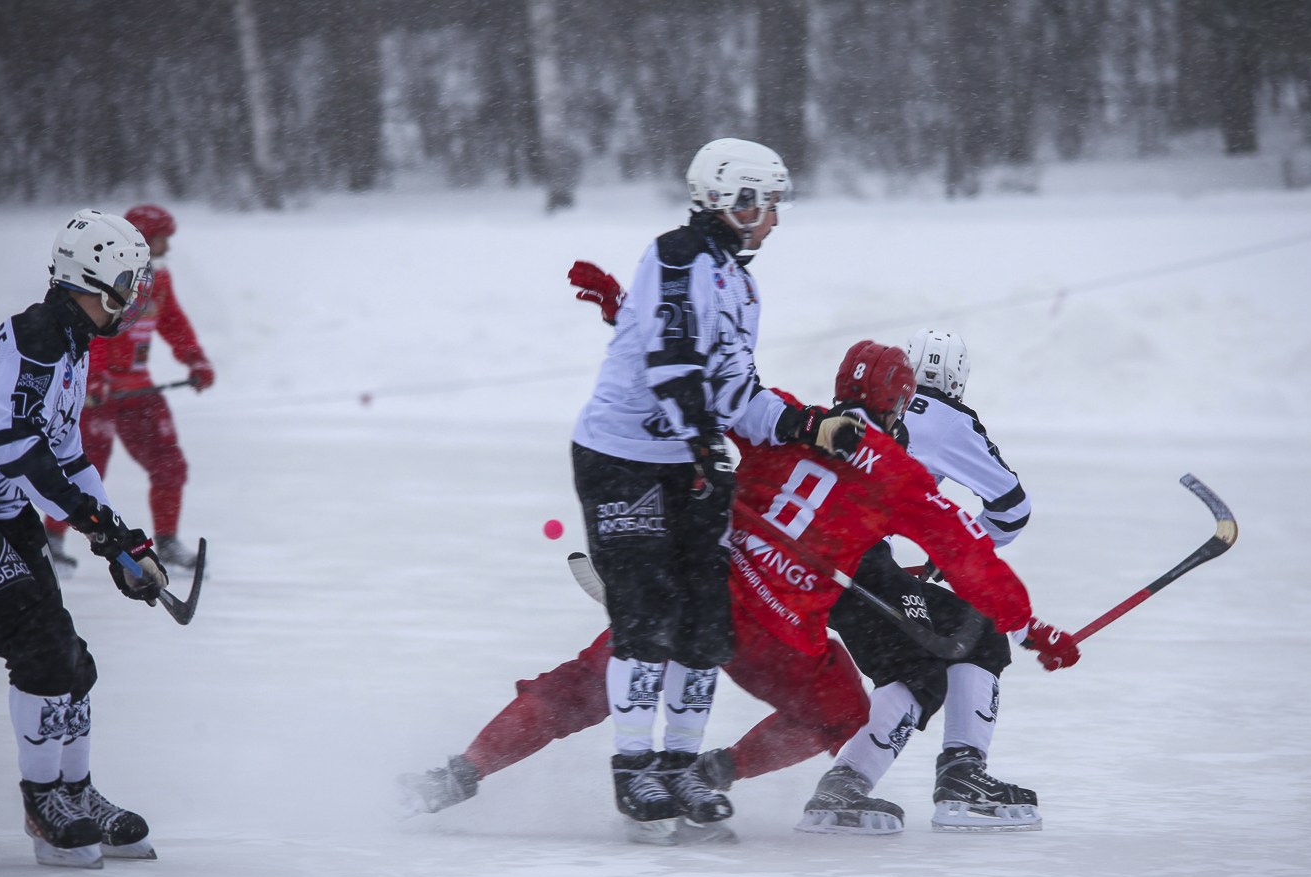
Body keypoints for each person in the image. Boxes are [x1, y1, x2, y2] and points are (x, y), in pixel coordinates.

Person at [399, 342, 1079, 840]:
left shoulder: (786, 416)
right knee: (842, 710)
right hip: (778, 634)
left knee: (588, 683)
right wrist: (1031, 628)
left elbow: (697, 402)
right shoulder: (901, 477)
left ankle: (459, 772)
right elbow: (974, 557)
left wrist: (624, 324)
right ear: (899, 406)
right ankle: (711, 773)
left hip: (700, 590)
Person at [567, 138, 861, 832]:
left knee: (706, 624)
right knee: (645, 615)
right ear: (734, 199)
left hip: (687, 460)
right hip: (623, 457)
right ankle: (633, 770)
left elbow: (737, 393)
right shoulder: (677, 255)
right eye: (767, 205)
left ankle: (680, 770)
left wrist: (809, 426)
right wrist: (702, 441)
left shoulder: (739, 281)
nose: (775, 222)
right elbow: (671, 363)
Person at [0, 209, 169, 868]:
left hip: (4, 513)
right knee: (41, 649)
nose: (131, 300)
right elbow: (20, 452)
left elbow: (69, 461)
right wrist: (101, 534)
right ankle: (45, 801)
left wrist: (125, 539)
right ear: (92, 283)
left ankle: (76, 791)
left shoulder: (70, 346)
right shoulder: (36, 342)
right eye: (126, 285)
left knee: (72, 658)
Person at [822, 328, 1042, 831]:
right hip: (862, 566)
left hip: (808, 568)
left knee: (914, 662)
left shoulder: (826, 416)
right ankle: (959, 776)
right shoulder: (949, 422)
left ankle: (845, 785)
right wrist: (953, 562)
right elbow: (1011, 510)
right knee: (978, 633)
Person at [44, 204, 214, 574]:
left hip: (138, 387)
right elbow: (96, 329)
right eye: (159, 239)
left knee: (168, 461)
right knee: (85, 466)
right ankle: (51, 540)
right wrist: (96, 377)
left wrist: (195, 357)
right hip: (98, 390)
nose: (167, 246)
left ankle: (167, 541)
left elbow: (172, 320)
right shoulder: (111, 279)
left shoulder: (160, 281)